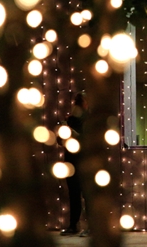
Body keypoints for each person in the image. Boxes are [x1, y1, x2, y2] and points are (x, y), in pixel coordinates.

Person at [60, 92, 89, 237]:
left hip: (83, 161)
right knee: (74, 194)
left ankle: (91, 226)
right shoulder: (71, 119)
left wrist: (73, 133)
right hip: (71, 161)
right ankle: (73, 225)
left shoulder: (89, 120)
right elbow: (61, 141)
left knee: (87, 194)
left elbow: (87, 141)